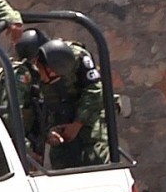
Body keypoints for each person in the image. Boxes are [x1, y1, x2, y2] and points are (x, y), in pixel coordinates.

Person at [34, 39, 110, 169]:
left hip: (87, 119)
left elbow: (95, 91)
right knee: (62, 165)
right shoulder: (31, 71)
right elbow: (33, 110)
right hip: (59, 121)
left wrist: (77, 124)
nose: (46, 79)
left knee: (95, 160)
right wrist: (48, 133)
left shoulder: (76, 56)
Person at [0, 28, 49, 159]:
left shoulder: (31, 75)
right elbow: (11, 115)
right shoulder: (20, 74)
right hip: (7, 146)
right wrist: (26, 150)